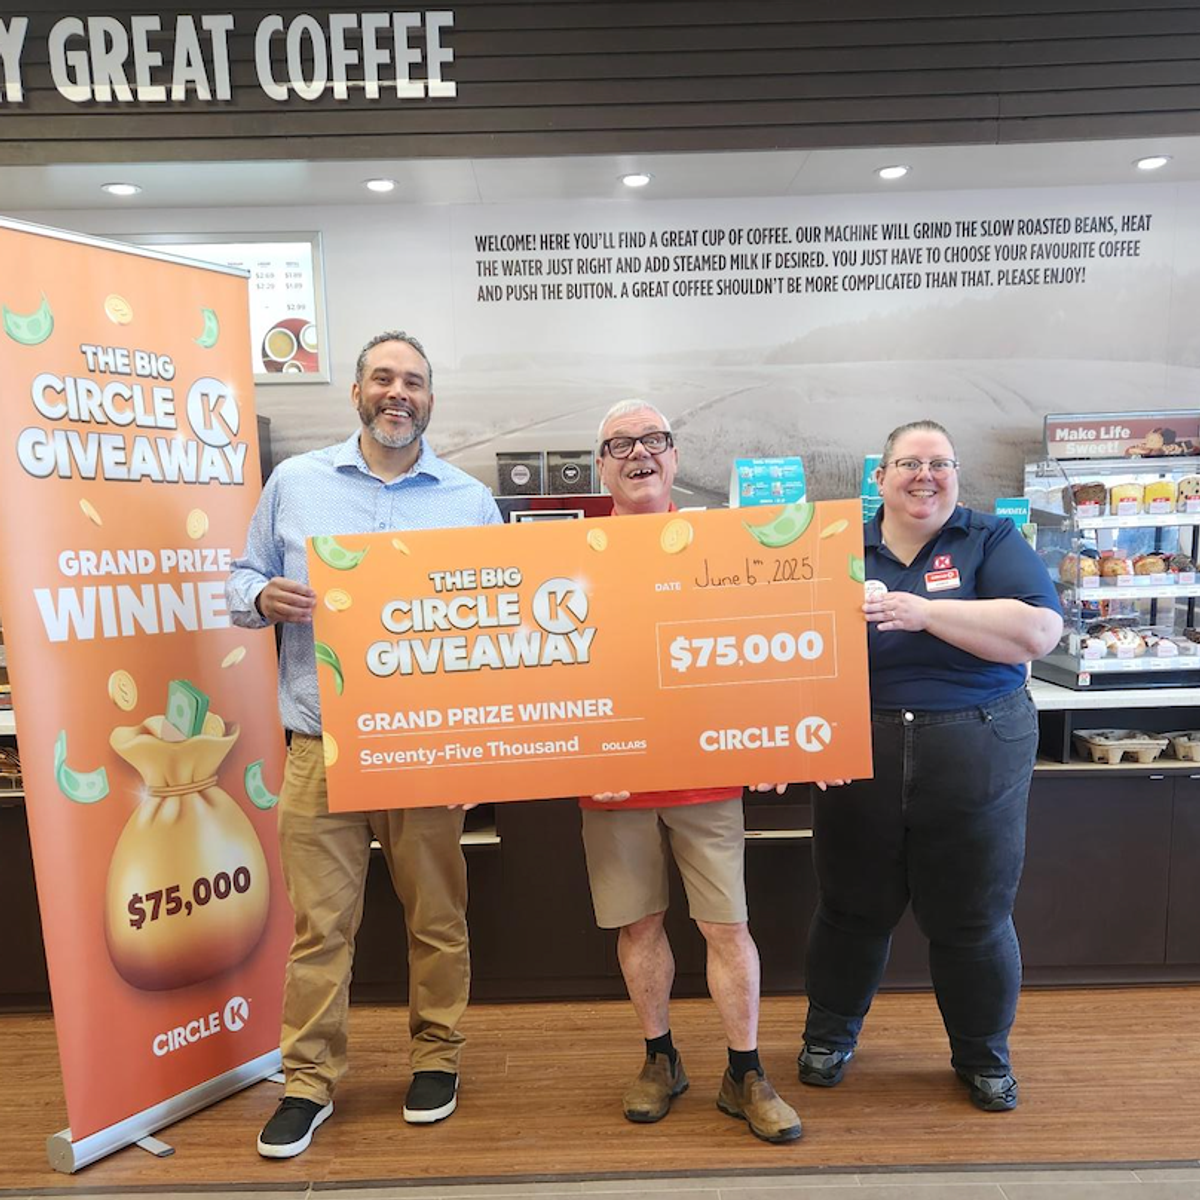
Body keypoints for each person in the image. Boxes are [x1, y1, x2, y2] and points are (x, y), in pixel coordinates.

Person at [228, 331, 501, 1158]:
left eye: (414, 382)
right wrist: (263, 596)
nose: (398, 393)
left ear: (429, 399)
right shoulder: (296, 483)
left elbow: (498, 630)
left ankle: (437, 1058)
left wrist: (479, 750)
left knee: (438, 918)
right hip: (320, 744)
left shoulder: (468, 500)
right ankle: (308, 1082)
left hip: (427, 747)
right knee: (320, 927)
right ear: (356, 392)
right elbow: (240, 583)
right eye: (383, 378)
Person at [799, 419, 1062, 1113]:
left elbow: (1037, 632)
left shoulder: (990, 540)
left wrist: (925, 612)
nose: (925, 476)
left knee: (973, 917)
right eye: (908, 463)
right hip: (860, 748)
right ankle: (828, 1039)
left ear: (956, 474)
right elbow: (785, 644)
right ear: (878, 478)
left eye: (939, 463)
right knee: (850, 910)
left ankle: (983, 1057)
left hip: (975, 746)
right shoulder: (834, 546)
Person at [580, 399, 802, 1145]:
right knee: (638, 924)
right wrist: (580, 750)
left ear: (675, 457)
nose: (638, 453)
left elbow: (766, 645)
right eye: (620, 444)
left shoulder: (722, 543)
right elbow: (547, 670)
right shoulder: (571, 555)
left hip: (707, 776)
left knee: (725, 924)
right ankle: (660, 1059)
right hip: (612, 779)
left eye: (653, 440)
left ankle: (745, 1073)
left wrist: (778, 741)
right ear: (602, 464)